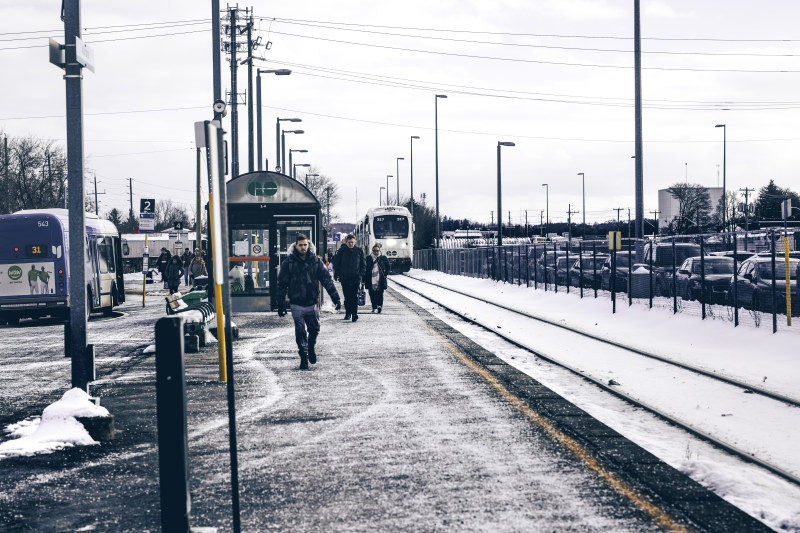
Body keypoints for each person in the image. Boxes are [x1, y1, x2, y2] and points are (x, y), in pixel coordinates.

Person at [276, 234, 341, 370]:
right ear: (296, 246)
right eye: (300, 245)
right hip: (296, 303)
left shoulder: (315, 262)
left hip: (312, 302)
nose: (303, 247)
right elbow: (281, 284)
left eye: (305, 245)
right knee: (300, 331)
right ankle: (303, 356)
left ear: (308, 245)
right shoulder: (288, 263)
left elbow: (327, 280)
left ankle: (310, 347)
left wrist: (335, 297)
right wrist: (281, 304)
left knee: (314, 329)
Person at [333, 234, 365, 322]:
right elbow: (337, 263)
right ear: (346, 242)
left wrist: (361, 274)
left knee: (354, 296)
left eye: (352, 242)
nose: (351, 244)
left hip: (355, 277)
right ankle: (348, 313)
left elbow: (363, 264)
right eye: (349, 242)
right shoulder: (342, 251)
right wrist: (337, 274)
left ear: (355, 242)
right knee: (347, 296)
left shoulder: (359, 251)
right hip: (345, 277)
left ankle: (354, 314)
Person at [363, 243, 390, 313]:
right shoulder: (368, 258)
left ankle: (380, 306)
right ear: (372, 251)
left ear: (379, 250)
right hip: (370, 278)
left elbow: (388, 267)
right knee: (372, 294)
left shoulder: (383, 258)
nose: (376, 252)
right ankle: (374, 307)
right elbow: (364, 269)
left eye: (377, 251)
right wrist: (363, 280)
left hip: (380, 279)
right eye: (374, 251)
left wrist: (385, 274)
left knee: (380, 293)